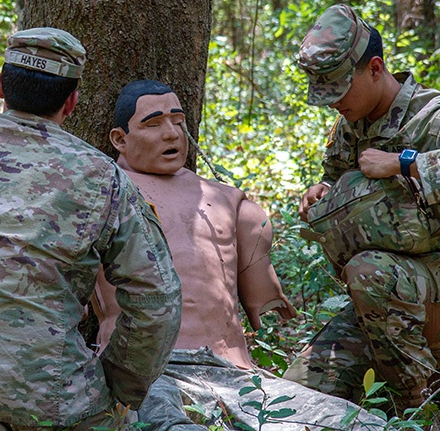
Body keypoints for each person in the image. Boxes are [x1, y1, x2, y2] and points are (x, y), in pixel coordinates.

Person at [0, 28, 183, 430]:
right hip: (52, 403)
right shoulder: (102, 177)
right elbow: (157, 297)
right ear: (72, 101)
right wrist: (120, 388)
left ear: (0, 85)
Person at [93, 79, 384, 430]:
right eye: (153, 124)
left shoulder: (231, 202)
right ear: (119, 139)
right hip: (145, 374)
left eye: (179, 121)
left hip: (236, 375)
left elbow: (267, 310)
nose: (171, 134)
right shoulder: (98, 200)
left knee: (362, 425)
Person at [283, 3, 440, 414]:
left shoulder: (437, 118)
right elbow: (337, 173)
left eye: (340, 88)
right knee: (299, 395)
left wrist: (405, 163)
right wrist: (322, 190)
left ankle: (411, 411)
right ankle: (425, 379)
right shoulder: (351, 125)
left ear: (375, 68)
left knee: (369, 271)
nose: (334, 102)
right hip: (386, 300)